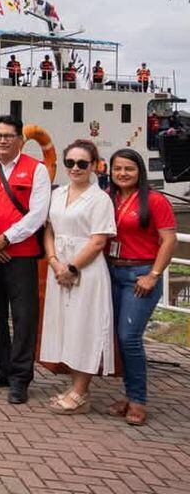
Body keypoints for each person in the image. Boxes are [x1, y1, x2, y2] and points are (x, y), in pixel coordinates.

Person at [0, 114, 52, 405]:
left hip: (21, 256)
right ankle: (2, 368)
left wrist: (5, 238)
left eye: (9, 135)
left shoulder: (37, 170)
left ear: (21, 139)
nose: (3, 140)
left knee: (24, 318)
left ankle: (21, 378)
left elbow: (37, 214)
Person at [40, 140, 115, 414]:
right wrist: (53, 262)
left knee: (85, 328)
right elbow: (49, 231)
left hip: (86, 271)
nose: (75, 168)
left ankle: (82, 392)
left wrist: (71, 269)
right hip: (58, 268)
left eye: (82, 163)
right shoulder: (58, 194)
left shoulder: (100, 199)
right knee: (67, 326)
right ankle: (74, 387)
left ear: (94, 166)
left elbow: (98, 241)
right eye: (70, 162)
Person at [105, 148, 177, 426]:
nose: (123, 174)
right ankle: (127, 394)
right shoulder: (109, 199)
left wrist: (154, 275)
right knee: (117, 337)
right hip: (112, 270)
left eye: (129, 169)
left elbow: (169, 240)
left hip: (140, 274)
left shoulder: (155, 200)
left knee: (129, 337)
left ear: (140, 172)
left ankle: (137, 401)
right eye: (118, 169)